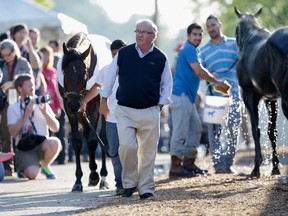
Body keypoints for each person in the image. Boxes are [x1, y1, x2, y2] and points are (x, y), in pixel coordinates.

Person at [99, 19, 173, 200]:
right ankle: (129, 183)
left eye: (144, 32)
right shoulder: (123, 53)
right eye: (137, 31)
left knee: (148, 152)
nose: (139, 35)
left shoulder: (160, 57)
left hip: (150, 110)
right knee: (127, 146)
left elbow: (167, 84)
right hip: (125, 110)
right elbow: (109, 77)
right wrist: (103, 100)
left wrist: (160, 105)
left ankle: (146, 187)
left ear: (153, 36)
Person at [169, 23, 231, 178]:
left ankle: (188, 164)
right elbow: (198, 70)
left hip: (187, 98)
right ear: (188, 36)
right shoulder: (189, 48)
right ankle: (175, 168)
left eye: (199, 34)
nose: (197, 37)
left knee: (196, 128)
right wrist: (217, 82)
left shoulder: (193, 50)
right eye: (194, 34)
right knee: (180, 132)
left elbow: (198, 70)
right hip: (180, 95)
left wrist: (211, 76)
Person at [79, 39, 127, 195]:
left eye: (120, 54)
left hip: (130, 117)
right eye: (114, 54)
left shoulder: (134, 69)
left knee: (130, 150)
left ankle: (132, 182)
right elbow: (97, 85)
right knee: (114, 152)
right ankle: (120, 184)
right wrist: (85, 101)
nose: (117, 57)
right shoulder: (107, 70)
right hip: (112, 117)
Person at [200, 15, 241, 174]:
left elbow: (244, 62)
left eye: (213, 25)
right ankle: (218, 167)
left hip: (234, 94)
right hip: (213, 96)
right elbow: (201, 72)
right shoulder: (202, 51)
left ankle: (228, 165)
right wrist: (210, 74)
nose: (211, 28)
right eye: (208, 26)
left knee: (233, 131)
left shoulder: (234, 44)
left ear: (219, 25)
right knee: (215, 134)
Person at [7, 74, 61, 180]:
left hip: (42, 144)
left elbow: (56, 128)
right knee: (32, 174)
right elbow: (12, 133)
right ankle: (23, 167)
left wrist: (45, 113)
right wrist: (26, 114)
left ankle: (44, 166)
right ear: (20, 88)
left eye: (33, 85)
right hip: (25, 148)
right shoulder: (13, 107)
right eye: (28, 86)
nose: (32, 88)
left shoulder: (41, 102)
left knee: (55, 142)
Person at [0, 39, 33, 176]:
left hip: (22, 101)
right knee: (6, 133)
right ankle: (8, 166)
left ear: (14, 51)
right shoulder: (2, 64)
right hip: (6, 102)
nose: (6, 58)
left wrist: (12, 83)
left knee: (22, 133)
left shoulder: (23, 62)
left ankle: (23, 166)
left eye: (8, 55)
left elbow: (29, 79)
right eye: (3, 56)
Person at [39, 46, 66, 164]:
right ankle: (46, 159)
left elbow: (56, 91)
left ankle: (61, 158)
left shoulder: (53, 71)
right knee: (47, 134)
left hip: (55, 106)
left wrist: (59, 107)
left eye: (47, 55)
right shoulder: (38, 72)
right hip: (43, 106)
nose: (45, 57)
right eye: (43, 55)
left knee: (60, 133)